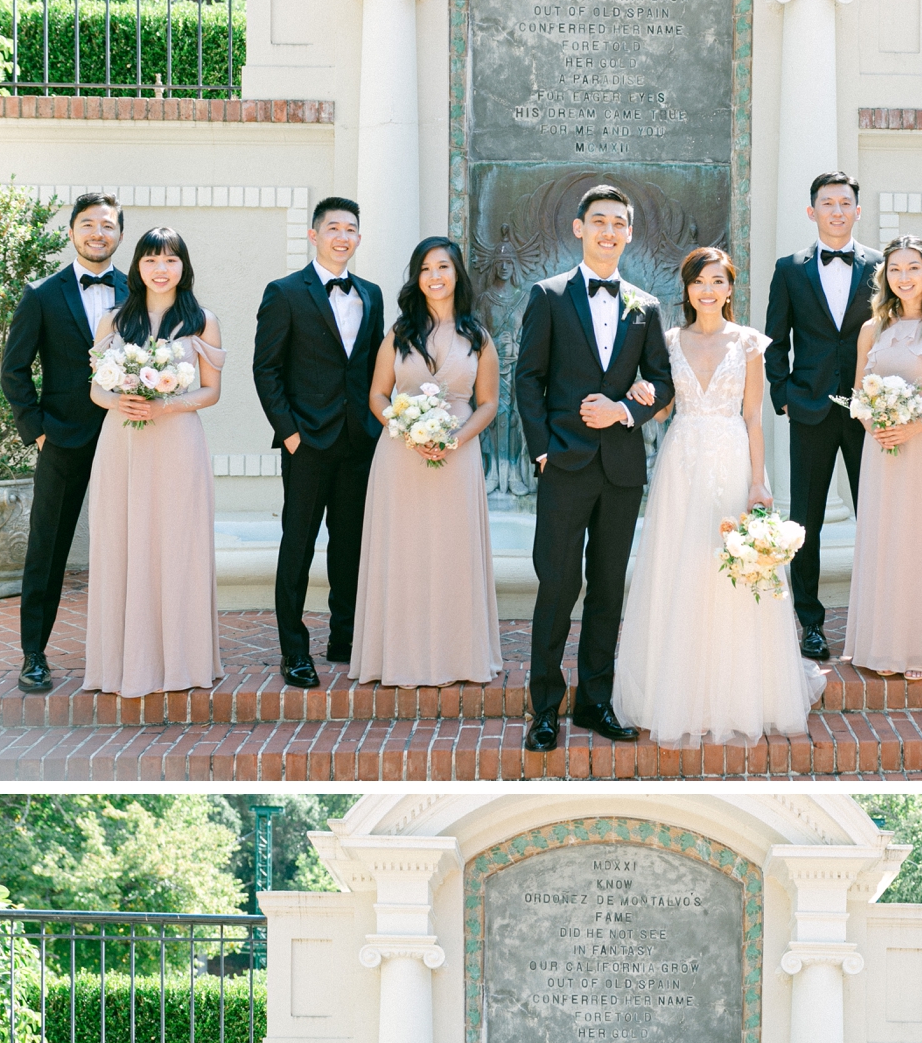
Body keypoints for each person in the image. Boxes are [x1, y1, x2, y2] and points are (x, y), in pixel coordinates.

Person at [612, 246, 825, 745]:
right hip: (682, 463)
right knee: (680, 566)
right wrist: (643, 394)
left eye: (717, 281)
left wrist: (759, 481)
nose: (708, 290)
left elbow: (753, 417)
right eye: (698, 282)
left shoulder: (749, 343)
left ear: (730, 288)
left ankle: (736, 692)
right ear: (687, 289)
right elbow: (662, 410)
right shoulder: (667, 340)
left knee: (731, 571)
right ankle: (679, 690)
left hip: (731, 459)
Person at [514, 184, 674, 753]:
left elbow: (662, 381)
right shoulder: (548, 295)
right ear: (579, 228)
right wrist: (542, 449)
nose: (609, 231)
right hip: (565, 463)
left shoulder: (645, 305)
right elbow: (527, 378)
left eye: (619, 223)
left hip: (622, 469)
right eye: (599, 220)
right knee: (558, 586)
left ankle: (596, 702)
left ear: (630, 233)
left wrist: (626, 410)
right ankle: (544, 710)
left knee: (608, 589)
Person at [350, 238, 502, 688]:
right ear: (417, 278)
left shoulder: (479, 337)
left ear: (457, 275)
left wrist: (456, 437)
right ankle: (398, 656)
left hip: (458, 456)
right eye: (425, 269)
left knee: (452, 552)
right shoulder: (399, 333)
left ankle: (457, 657)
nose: (435, 276)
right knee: (405, 551)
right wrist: (401, 427)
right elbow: (378, 394)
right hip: (401, 456)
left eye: (443, 267)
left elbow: (489, 403)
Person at [82, 226, 224, 698]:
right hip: (123, 444)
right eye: (150, 260)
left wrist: (165, 405)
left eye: (170, 260)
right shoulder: (113, 321)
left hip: (178, 444)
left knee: (176, 543)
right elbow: (96, 388)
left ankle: (182, 660)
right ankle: (125, 662)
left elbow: (211, 391)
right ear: (137, 267)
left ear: (184, 267)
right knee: (124, 541)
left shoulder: (202, 320)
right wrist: (118, 401)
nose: (161, 270)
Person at [253, 197, 386, 689]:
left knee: (349, 545)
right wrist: (289, 434)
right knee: (299, 544)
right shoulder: (285, 292)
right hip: (305, 442)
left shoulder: (371, 295)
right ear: (314, 235)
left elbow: (372, 368)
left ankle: (344, 637)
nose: (343, 236)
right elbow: (265, 370)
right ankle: (294, 650)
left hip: (358, 444)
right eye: (333, 228)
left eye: (351, 228)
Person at [0, 191, 128, 696]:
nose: (99, 233)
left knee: (131, 544)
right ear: (73, 231)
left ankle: (127, 650)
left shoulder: (138, 289)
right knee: (48, 547)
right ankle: (34, 654)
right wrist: (38, 430)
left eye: (109, 225)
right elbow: (13, 370)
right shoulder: (42, 294)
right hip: (63, 440)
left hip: (127, 436)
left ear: (120, 234)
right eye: (90, 224)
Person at [842, 234, 922, 680]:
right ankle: (884, 646)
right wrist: (873, 425)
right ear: (885, 276)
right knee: (887, 540)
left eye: (912, 268)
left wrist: (916, 425)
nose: (904, 277)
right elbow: (859, 395)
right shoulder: (870, 329)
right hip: (882, 449)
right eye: (895, 269)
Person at [764, 172, 883, 661]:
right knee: (805, 520)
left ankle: (876, 617)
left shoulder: (883, 266)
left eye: (845, 202)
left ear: (858, 210)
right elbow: (775, 338)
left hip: (869, 414)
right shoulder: (790, 269)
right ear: (812, 212)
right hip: (809, 408)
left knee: (876, 516)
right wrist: (784, 394)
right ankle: (810, 622)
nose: (837, 210)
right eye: (827, 203)